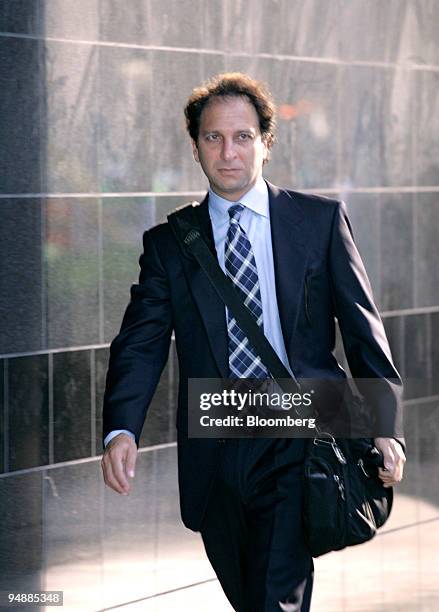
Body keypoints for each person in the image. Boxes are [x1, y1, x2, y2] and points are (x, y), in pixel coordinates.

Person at [101, 72, 406, 611]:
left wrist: (387, 426)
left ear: (267, 142)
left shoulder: (318, 221)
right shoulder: (171, 244)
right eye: (213, 137)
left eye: (243, 137)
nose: (228, 152)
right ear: (195, 147)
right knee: (251, 595)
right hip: (215, 439)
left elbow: (363, 329)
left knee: (274, 597)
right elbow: (141, 342)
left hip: (299, 433)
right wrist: (121, 429)